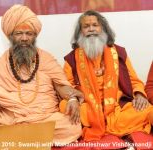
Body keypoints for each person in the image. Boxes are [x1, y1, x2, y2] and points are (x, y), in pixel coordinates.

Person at [0, 4, 84, 144]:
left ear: (34, 36)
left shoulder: (46, 59)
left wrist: (72, 99)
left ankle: (14, 139)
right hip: (11, 118)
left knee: (72, 126)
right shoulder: (0, 65)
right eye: (19, 33)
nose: (24, 38)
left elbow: (61, 86)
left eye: (29, 33)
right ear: (10, 36)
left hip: (44, 117)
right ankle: (32, 138)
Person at [62, 10, 153, 142]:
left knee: (149, 110)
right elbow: (66, 87)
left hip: (117, 108)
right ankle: (102, 125)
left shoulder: (119, 53)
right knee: (66, 106)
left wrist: (139, 94)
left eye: (95, 25)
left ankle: (103, 125)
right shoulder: (72, 59)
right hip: (88, 108)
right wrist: (73, 100)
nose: (91, 29)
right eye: (86, 26)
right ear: (80, 32)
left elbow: (134, 80)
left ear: (103, 28)